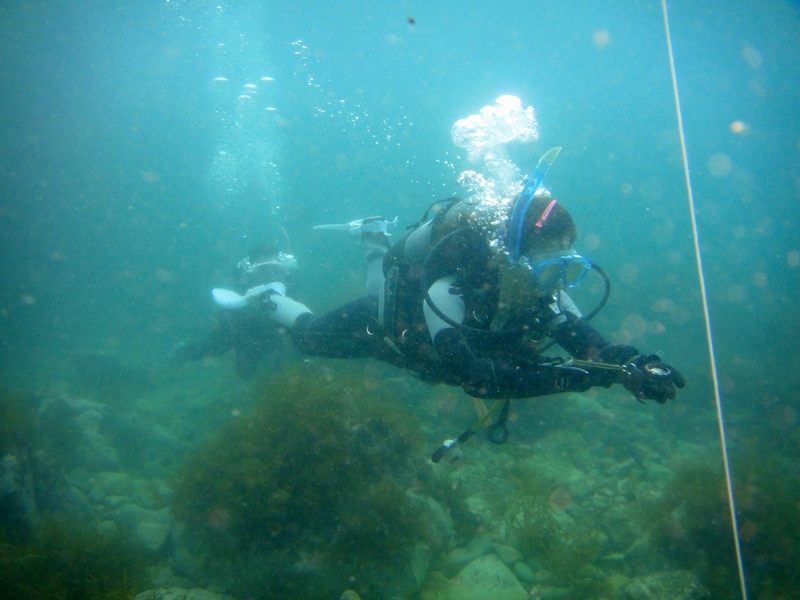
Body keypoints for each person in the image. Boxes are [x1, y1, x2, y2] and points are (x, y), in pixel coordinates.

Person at [174, 242, 297, 379]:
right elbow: (226, 301)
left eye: (274, 267)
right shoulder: (242, 279)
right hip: (238, 328)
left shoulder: (285, 279)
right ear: (253, 265)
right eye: (264, 268)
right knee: (210, 348)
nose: (270, 273)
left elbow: (292, 307)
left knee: (246, 372)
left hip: (267, 330)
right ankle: (179, 352)